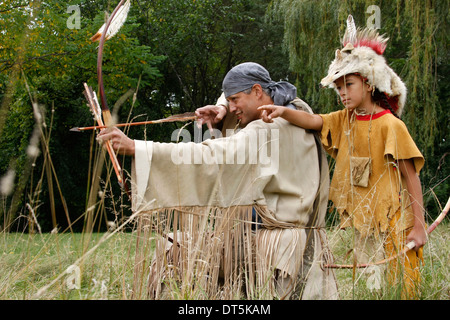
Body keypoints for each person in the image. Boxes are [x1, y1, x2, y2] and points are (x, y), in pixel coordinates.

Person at [98, 62, 338, 300]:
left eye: (235, 100)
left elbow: (212, 157)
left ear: (257, 91)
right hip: (300, 240)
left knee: (172, 249)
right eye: (229, 101)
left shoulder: (266, 129)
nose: (232, 107)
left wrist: (137, 148)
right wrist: (223, 112)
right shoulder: (298, 109)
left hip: (276, 249)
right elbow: (250, 100)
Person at [258, 17, 427, 298]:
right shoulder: (343, 120)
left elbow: (412, 178)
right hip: (366, 226)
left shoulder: (391, 125)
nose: (342, 93)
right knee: (374, 288)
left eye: (348, 85)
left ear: (369, 83)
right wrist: (283, 112)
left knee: (404, 289)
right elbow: (314, 121)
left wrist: (419, 228)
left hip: (397, 222)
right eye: (338, 88)